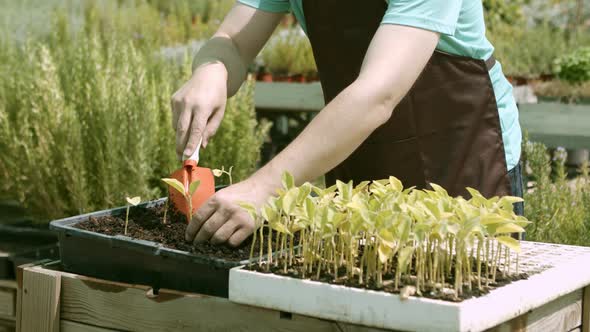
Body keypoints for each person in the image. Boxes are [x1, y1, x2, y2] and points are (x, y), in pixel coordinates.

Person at [174, 0, 524, 247]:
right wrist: (212, 70)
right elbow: (233, 41)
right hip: (361, 150)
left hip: (462, 157)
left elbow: (377, 94)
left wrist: (263, 188)